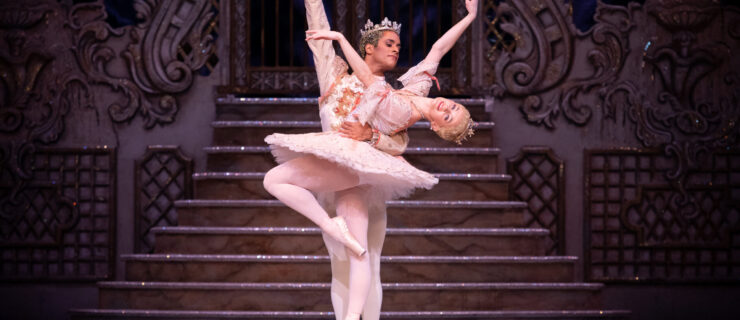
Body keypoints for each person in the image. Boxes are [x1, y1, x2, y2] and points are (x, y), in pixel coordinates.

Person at [262, 1, 477, 320]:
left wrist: (374, 137)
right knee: (351, 258)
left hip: (359, 169)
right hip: (344, 165)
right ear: (370, 47)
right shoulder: (406, 86)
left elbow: (382, 110)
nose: (396, 51)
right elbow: (436, 50)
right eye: (390, 44)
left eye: (398, 46)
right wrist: (470, 16)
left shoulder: (397, 101)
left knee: (367, 258)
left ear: (437, 125)